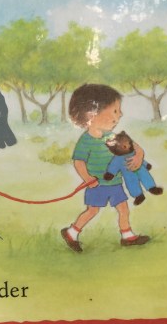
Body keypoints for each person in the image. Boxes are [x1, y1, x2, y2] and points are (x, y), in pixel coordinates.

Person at [61, 83, 150, 253]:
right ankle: (71, 233)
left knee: (123, 208)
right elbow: (79, 162)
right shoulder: (86, 141)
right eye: (115, 111)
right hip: (97, 185)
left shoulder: (112, 137)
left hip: (115, 183)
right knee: (92, 210)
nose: (120, 114)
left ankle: (127, 236)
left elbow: (134, 146)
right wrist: (88, 179)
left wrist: (139, 155)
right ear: (92, 115)